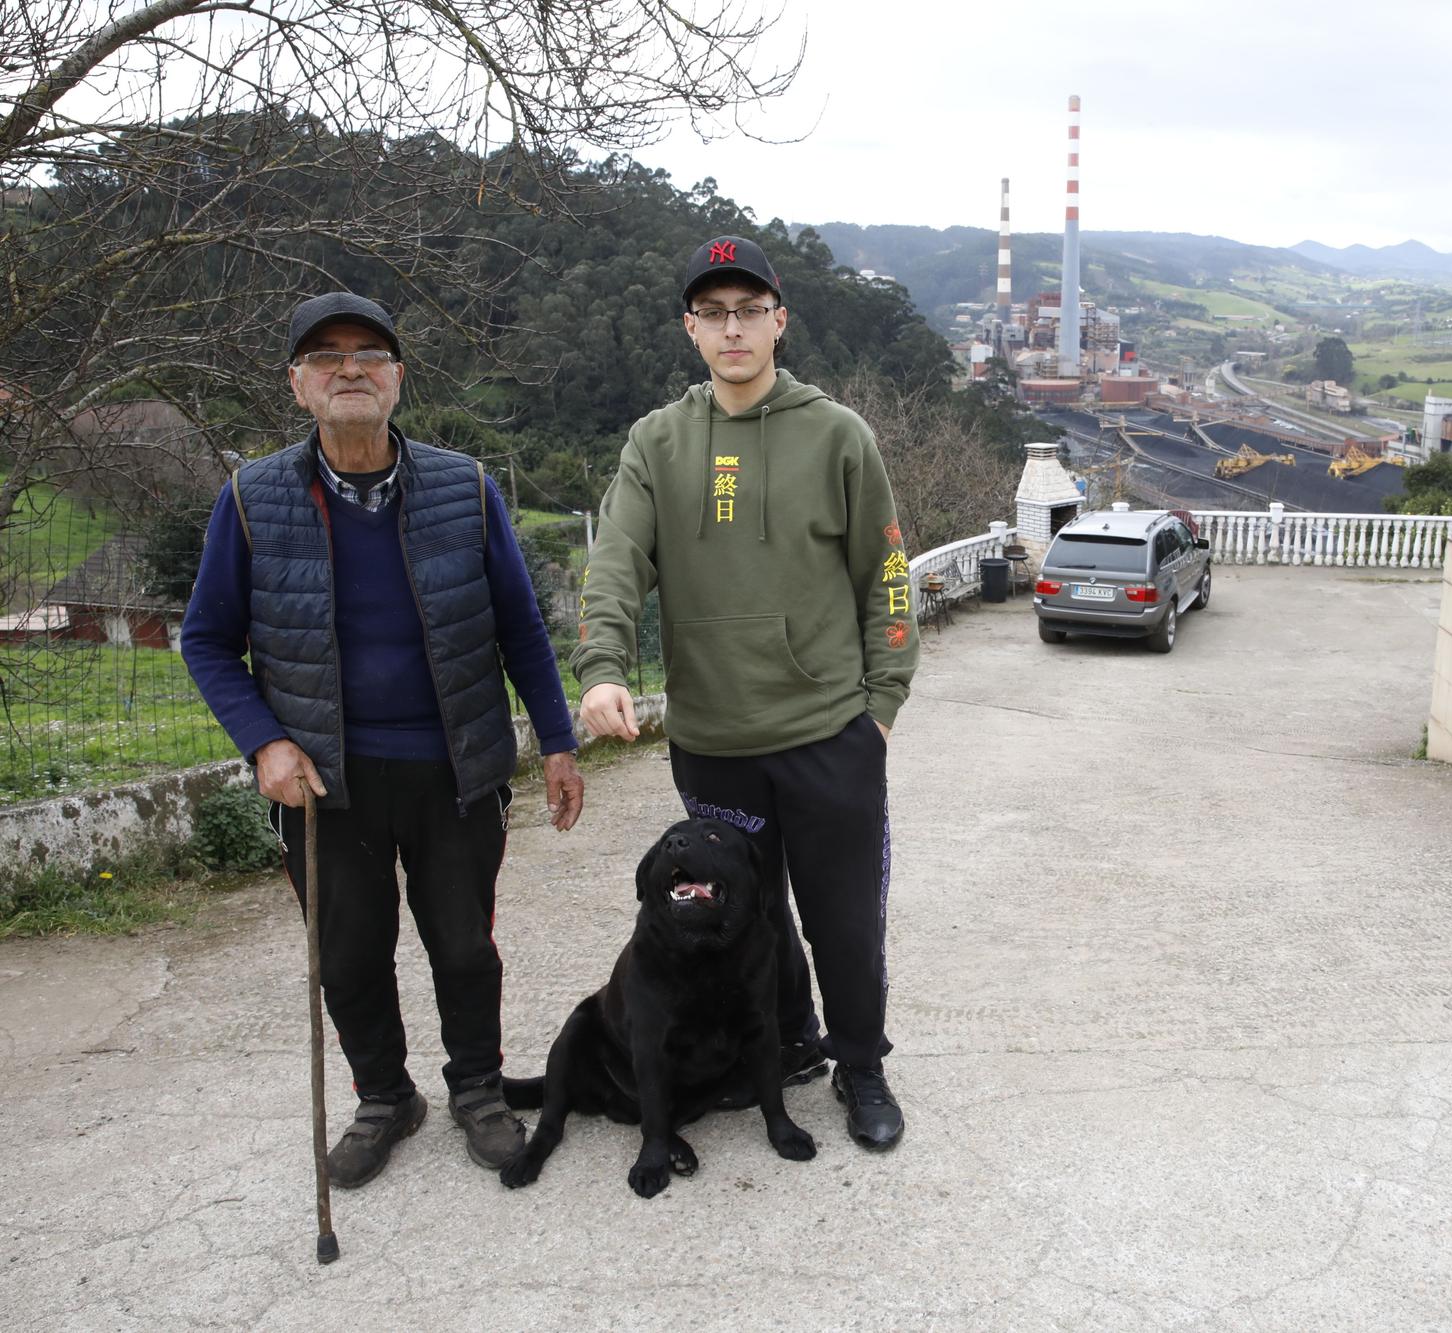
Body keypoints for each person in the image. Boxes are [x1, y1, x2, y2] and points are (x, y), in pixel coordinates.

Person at [181, 292, 585, 1187]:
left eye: (369, 353)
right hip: (326, 781)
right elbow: (206, 638)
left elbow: (520, 627)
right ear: (298, 385)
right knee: (349, 952)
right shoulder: (251, 500)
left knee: (464, 944)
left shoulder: (464, 487)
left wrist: (557, 742)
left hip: (454, 768)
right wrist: (264, 743)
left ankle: (477, 1088)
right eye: (326, 357)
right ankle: (384, 1096)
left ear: (399, 378)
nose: (350, 369)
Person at [574, 235, 917, 1150]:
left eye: (749, 310)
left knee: (843, 917)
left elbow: (885, 575)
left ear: (779, 320)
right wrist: (603, 665)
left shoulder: (840, 435)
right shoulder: (658, 442)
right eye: (714, 312)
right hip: (715, 740)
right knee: (747, 914)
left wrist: (879, 708)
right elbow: (615, 562)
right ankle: (789, 1039)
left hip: (827, 734)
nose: (734, 328)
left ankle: (862, 1064)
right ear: (691, 328)